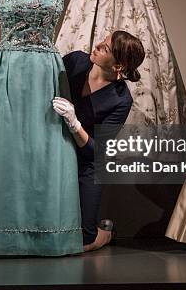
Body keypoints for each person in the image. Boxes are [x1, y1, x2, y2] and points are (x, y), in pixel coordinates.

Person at [53, 30, 145, 252]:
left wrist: (75, 123)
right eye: (102, 42)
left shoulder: (121, 99)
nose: (96, 47)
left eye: (105, 48)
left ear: (117, 67)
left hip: (88, 163)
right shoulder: (75, 61)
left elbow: (97, 151)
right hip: (56, 148)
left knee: (84, 240)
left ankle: (106, 233)